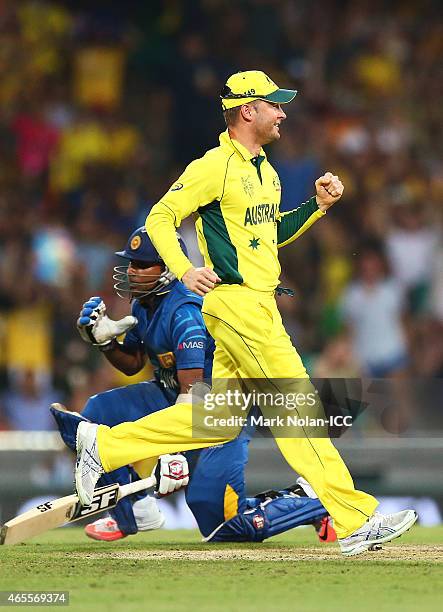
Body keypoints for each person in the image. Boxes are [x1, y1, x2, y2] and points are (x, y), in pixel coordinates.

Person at [74, 70, 417, 556]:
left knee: (213, 421)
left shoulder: (265, 169)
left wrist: (316, 207)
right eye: (274, 105)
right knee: (298, 409)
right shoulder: (214, 165)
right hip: (238, 305)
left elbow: (268, 234)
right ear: (247, 110)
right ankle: (355, 518)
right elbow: (161, 217)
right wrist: (184, 269)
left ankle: (104, 447)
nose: (282, 113)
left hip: (258, 304)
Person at [54, 226, 334, 542]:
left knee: (220, 522)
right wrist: (105, 343)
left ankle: (314, 500)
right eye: (131, 263)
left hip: (217, 412)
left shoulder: (186, 311)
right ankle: (134, 511)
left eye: (142, 264)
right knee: (97, 414)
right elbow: (134, 364)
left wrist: (169, 456)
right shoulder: (144, 304)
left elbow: (193, 394)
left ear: (168, 270)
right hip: (175, 396)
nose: (132, 271)